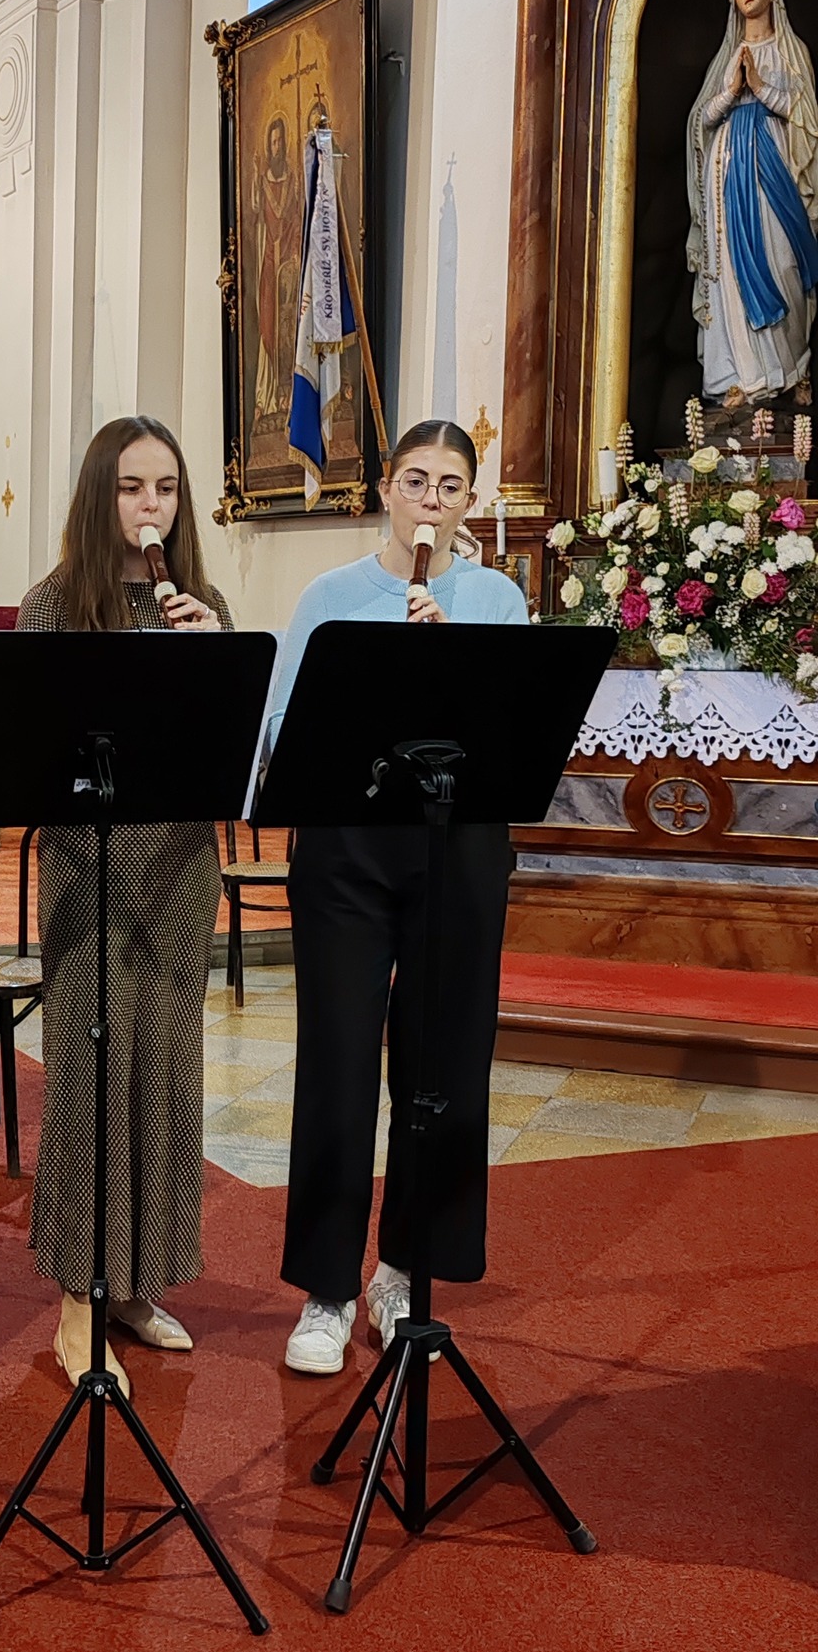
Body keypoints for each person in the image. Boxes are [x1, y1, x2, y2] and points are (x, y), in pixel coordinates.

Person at [266, 419, 527, 1375]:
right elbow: (283, 726)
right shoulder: (330, 596)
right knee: (338, 1064)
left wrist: (455, 673)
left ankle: (405, 1269)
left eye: (450, 486)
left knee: (442, 1069)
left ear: (470, 503)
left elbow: (518, 736)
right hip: (347, 848)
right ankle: (326, 1290)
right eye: (415, 480)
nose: (430, 500)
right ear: (386, 489)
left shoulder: (496, 599)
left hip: (458, 851)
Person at [17, 416, 232, 1393]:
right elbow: (34, 756)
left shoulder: (203, 605)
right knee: (91, 1079)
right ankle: (78, 1299)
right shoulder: (54, 607)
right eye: (133, 487)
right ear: (99, 495)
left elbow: (229, 752)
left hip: (180, 866)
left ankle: (137, 1283)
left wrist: (218, 660)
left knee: (165, 1073)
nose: (153, 506)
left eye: (168, 489)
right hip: (90, 867)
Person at [687, 0, 818, 404]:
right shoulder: (727, 57)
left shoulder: (790, 51)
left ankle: (794, 367)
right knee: (729, 272)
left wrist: (760, 88)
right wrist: (731, 92)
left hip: (776, 172)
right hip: (728, 177)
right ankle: (740, 378)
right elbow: (701, 120)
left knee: (784, 263)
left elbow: (807, 117)